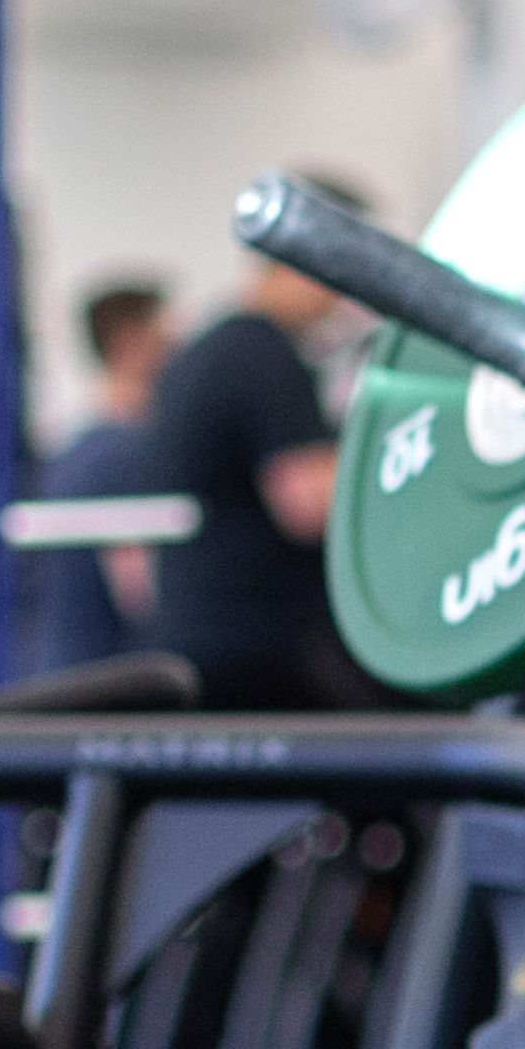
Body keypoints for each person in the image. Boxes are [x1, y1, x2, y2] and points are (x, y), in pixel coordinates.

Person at [141, 192, 376, 711]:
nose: (348, 294)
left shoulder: (205, 351)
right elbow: (307, 503)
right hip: (262, 650)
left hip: (203, 637)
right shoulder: (262, 355)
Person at [17, 280, 173, 671]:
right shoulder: (130, 451)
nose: (175, 349)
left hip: (49, 667)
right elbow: (139, 592)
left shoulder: (65, 452)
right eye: (164, 336)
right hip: (104, 680)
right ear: (129, 343)